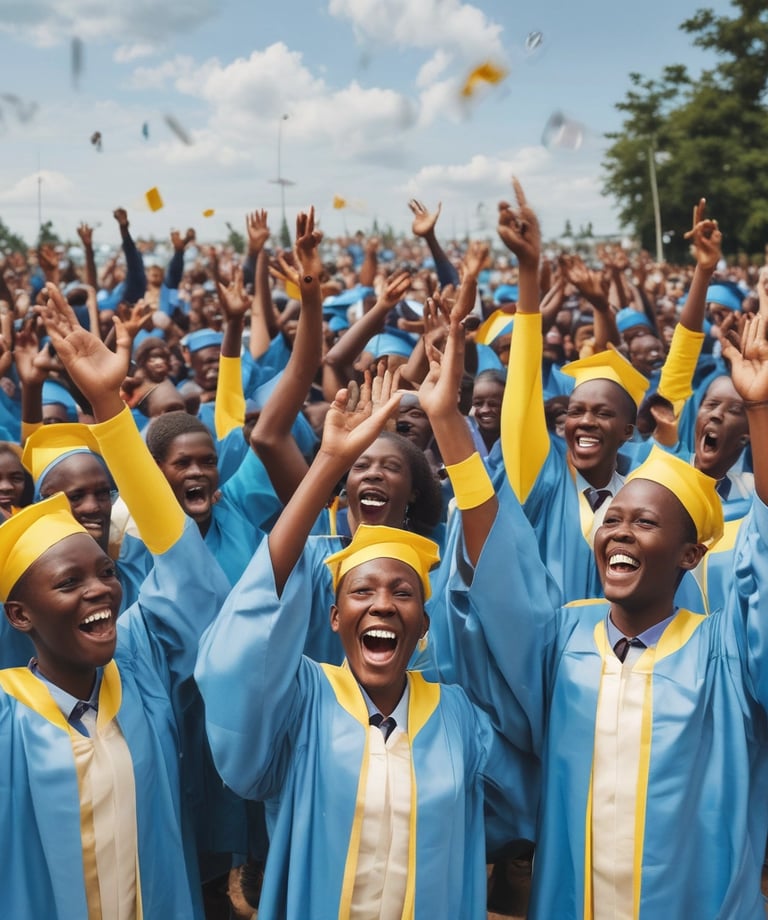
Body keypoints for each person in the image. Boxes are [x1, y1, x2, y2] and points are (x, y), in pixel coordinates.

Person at [196, 358, 538, 919]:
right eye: (362, 593)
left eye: (403, 594)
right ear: (333, 616)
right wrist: (330, 459)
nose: (382, 603)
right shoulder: (302, 705)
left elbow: (512, 611)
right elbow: (241, 651)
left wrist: (448, 422)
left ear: (425, 622)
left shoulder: (460, 719)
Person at [464, 307, 768, 918]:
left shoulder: (725, 654)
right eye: (615, 521)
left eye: (645, 523)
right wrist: (452, 424)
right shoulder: (567, 637)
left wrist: (760, 411)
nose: (620, 532)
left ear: (689, 555)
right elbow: (498, 576)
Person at [0, 282, 231, 918]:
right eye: (70, 583)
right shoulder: (7, 721)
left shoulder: (139, 667)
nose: (101, 588)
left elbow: (190, 581)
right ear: (19, 615)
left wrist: (109, 410)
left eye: (105, 572)